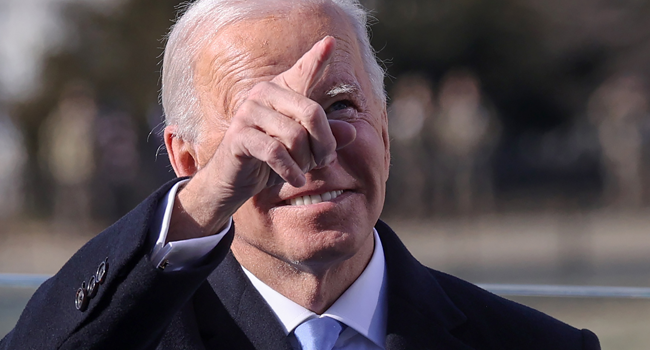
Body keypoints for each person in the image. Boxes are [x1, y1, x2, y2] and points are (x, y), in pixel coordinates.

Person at [1, 0, 600, 349]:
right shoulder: (139, 335)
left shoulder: (535, 346)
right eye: (260, 122)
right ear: (188, 163)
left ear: (385, 133)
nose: (309, 147)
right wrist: (199, 205)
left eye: (340, 105)